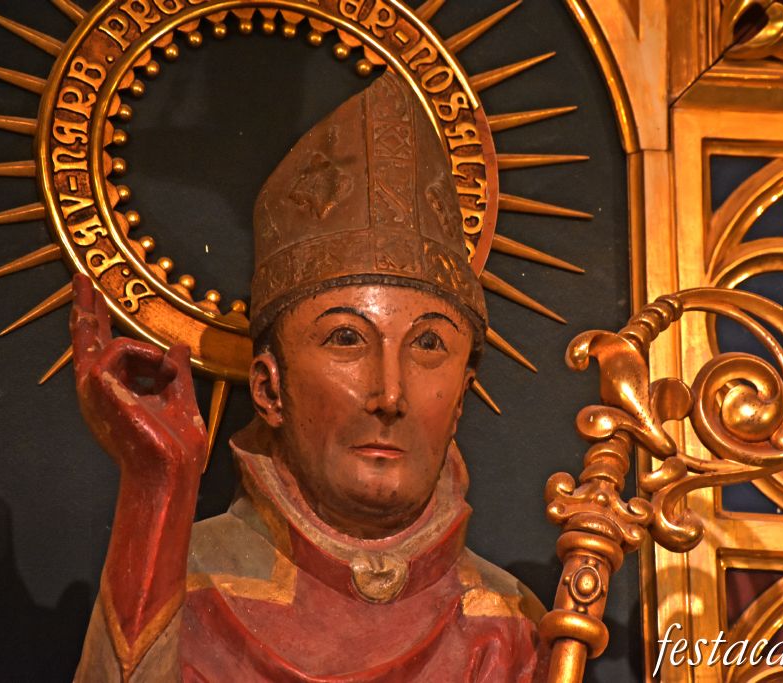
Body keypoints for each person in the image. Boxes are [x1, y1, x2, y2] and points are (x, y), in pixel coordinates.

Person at [71, 72, 547, 682]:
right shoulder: (179, 586)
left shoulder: (509, 627)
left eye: (428, 344)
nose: (391, 394)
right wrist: (155, 493)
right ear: (271, 387)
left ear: (462, 395)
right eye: (347, 338)